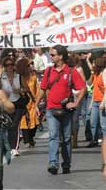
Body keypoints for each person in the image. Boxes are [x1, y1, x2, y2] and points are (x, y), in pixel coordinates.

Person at [35, 45, 86, 175]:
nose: (50, 57)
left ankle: (66, 164)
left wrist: (76, 102)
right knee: (53, 137)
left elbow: (82, 88)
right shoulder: (48, 71)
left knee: (66, 139)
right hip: (51, 109)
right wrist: (36, 104)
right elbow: (43, 88)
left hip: (66, 111)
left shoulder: (70, 71)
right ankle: (53, 163)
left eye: (52, 55)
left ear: (61, 56)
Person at [0, 56, 25, 156]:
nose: (9, 67)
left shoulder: (18, 76)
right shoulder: (2, 77)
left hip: (18, 103)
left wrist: (21, 90)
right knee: (8, 125)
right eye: (7, 65)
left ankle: (14, 147)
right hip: (6, 104)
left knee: (15, 125)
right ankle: (8, 146)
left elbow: (26, 89)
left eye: (11, 65)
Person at [17, 58, 39, 147]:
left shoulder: (33, 78)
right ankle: (27, 139)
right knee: (24, 122)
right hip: (23, 102)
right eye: (28, 65)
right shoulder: (19, 78)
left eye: (31, 64)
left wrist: (38, 100)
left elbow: (37, 90)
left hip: (32, 103)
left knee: (35, 121)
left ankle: (31, 137)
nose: (31, 66)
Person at [87, 57, 106, 147]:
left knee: (103, 124)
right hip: (95, 101)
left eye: (94, 63)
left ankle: (104, 141)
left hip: (103, 101)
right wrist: (91, 74)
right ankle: (94, 139)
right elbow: (90, 84)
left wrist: (103, 102)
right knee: (93, 122)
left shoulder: (104, 74)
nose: (93, 65)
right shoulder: (95, 74)